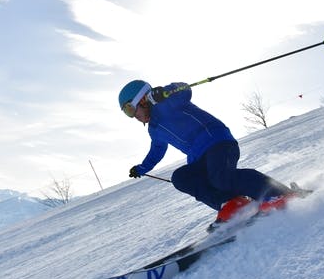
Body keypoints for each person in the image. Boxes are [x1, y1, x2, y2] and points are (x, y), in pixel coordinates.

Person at [118, 79, 297, 229]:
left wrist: (165, 92)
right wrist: (141, 168)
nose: (133, 116)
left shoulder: (167, 102)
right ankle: (231, 204)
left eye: (129, 109)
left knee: (221, 178)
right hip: (198, 158)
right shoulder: (154, 128)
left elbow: (185, 90)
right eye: (127, 113)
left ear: (142, 99)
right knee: (180, 177)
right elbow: (157, 151)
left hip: (217, 142)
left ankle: (278, 193)